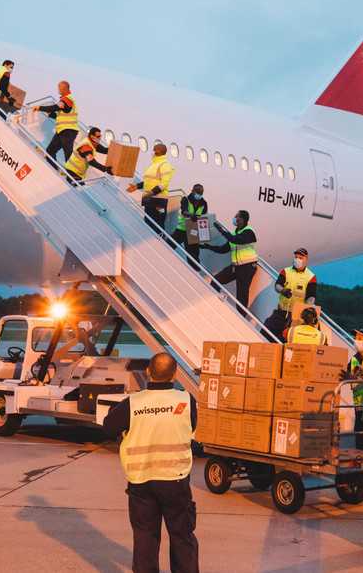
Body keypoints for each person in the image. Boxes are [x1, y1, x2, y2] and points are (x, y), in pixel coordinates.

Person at [103, 353, 199, 573]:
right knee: (182, 537)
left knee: (145, 538)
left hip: (141, 482)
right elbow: (191, 427)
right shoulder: (186, 401)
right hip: (175, 480)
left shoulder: (133, 403)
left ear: (148, 372)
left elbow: (108, 428)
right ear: (175, 374)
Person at [205, 210, 257, 312]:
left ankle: (241, 317)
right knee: (216, 280)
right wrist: (208, 247)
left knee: (242, 294)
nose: (235, 218)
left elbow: (236, 240)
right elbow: (224, 249)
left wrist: (221, 231)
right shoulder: (234, 233)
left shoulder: (249, 232)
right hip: (236, 267)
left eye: (237, 216)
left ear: (242, 219)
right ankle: (217, 304)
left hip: (247, 267)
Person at [263, 247, 318, 338]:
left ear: (306, 260)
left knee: (287, 339)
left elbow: (311, 296)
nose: (297, 260)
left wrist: (307, 309)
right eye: (296, 257)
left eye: (300, 258)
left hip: (296, 316)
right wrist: (283, 290)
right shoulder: (285, 271)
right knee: (266, 332)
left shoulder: (311, 277)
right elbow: (277, 285)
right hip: (281, 312)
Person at [127, 143, 175, 233]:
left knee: (158, 225)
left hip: (158, 200)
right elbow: (149, 181)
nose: (152, 152)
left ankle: (161, 243)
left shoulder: (164, 165)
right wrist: (137, 186)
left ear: (158, 151)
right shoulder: (154, 164)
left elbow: (163, 184)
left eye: (154, 150)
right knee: (148, 223)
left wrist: (151, 192)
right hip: (149, 199)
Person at [41, 80, 80, 162]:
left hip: (68, 131)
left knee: (68, 154)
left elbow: (55, 107)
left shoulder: (67, 100)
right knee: (50, 151)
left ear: (64, 88)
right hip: (62, 130)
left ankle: (71, 174)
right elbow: (62, 115)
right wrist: (50, 114)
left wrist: (39, 108)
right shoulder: (65, 100)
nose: (58, 89)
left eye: (59, 87)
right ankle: (54, 169)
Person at [171, 184, 208, 263]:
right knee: (169, 245)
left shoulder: (204, 203)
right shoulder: (186, 199)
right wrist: (192, 215)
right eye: (198, 192)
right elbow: (184, 211)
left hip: (193, 231)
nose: (199, 195)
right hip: (182, 229)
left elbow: (204, 217)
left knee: (193, 255)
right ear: (193, 191)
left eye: (201, 193)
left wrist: (203, 235)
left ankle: (195, 271)